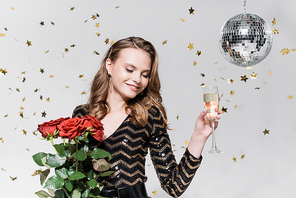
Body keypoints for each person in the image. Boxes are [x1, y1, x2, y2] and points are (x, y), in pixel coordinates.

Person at [72, 36, 221, 198]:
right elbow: (74, 176)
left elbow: (174, 187)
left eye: (145, 74)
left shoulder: (148, 117)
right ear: (110, 65)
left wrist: (199, 136)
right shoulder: (81, 115)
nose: (137, 79)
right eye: (129, 70)